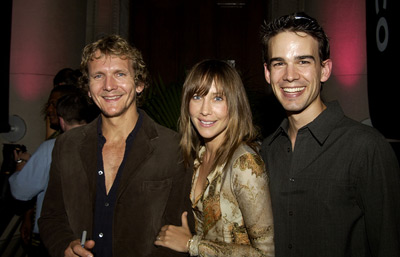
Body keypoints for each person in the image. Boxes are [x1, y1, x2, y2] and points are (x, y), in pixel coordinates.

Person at [38, 34, 192, 257]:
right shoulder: (67, 145)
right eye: (98, 76)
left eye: (120, 74)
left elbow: (179, 233)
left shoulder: (173, 148)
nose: (109, 86)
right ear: (89, 89)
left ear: (139, 83)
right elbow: (52, 216)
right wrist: (65, 246)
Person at [260, 12, 400, 257]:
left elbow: (388, 246)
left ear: (324, 70)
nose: (290, 75)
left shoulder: (366, 148)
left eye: (303, 61)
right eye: (279, 63)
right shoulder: (266, 152)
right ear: (268, 73)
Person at [154, 59, 275, 256]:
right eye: (197, 97)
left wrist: (192, 244)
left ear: (234, 104)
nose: (205, 110)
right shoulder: (197, 156)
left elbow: (266, 253)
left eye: (218, 98)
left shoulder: (244, 164)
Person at [9, 92, 91, 257]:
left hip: (55, 238)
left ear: (61, 120)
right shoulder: (103, 146)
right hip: (88, 237)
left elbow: (21, 191)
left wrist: (20, 165)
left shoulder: (52, 148)